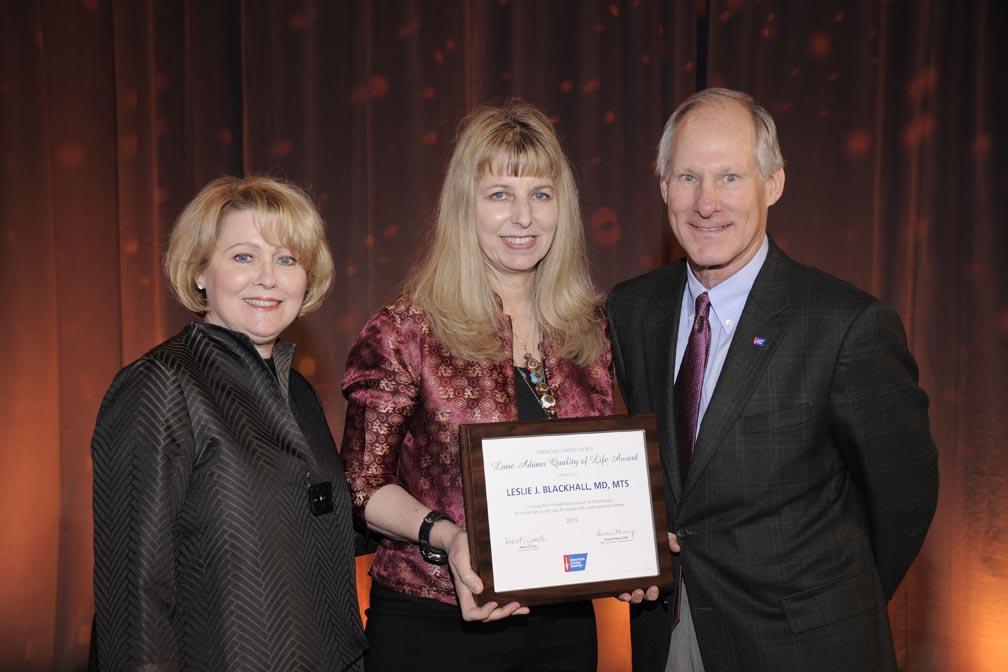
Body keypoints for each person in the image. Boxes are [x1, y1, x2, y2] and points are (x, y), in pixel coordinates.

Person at [605, 88, 939, 672]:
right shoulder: (631, 310)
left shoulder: (847, 324)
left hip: (807, 646)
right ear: (662, 188)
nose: (706, 202)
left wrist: (832, 604)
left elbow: (903, 498)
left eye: (730, 177)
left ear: (774, 184)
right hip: (670, 634)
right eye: (687, 177)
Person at [340, 99, 613, 672]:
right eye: (499, 195)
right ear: (465, 207)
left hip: (563, 626)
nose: (524, 217)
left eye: (541, 194)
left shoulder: (590, 331)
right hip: (433, 621)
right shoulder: (405, 330)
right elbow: (363, 486)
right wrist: (447, 535)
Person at [91, 176, 367, 671]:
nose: (268, 278)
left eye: (287, 259)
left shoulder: (298, 391)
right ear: (200, 272)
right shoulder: (161, 384)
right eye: (244, 257)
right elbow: (132, 590)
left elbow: (314, 526)